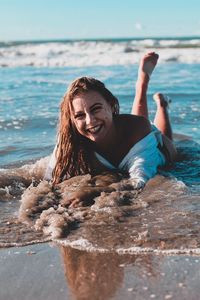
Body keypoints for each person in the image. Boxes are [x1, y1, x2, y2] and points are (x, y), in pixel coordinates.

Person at [45, 52, 177, 196]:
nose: (90, 121)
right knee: (134, 124)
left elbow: (140, 180)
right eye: (80, 115)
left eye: (96, 109)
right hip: (126, 131)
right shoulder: (69, 140)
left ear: (111, 104)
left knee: (157, 134)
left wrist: (96, 192)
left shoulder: (139, 130)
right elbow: (50, 181)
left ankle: (160, 102)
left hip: (159, 149)